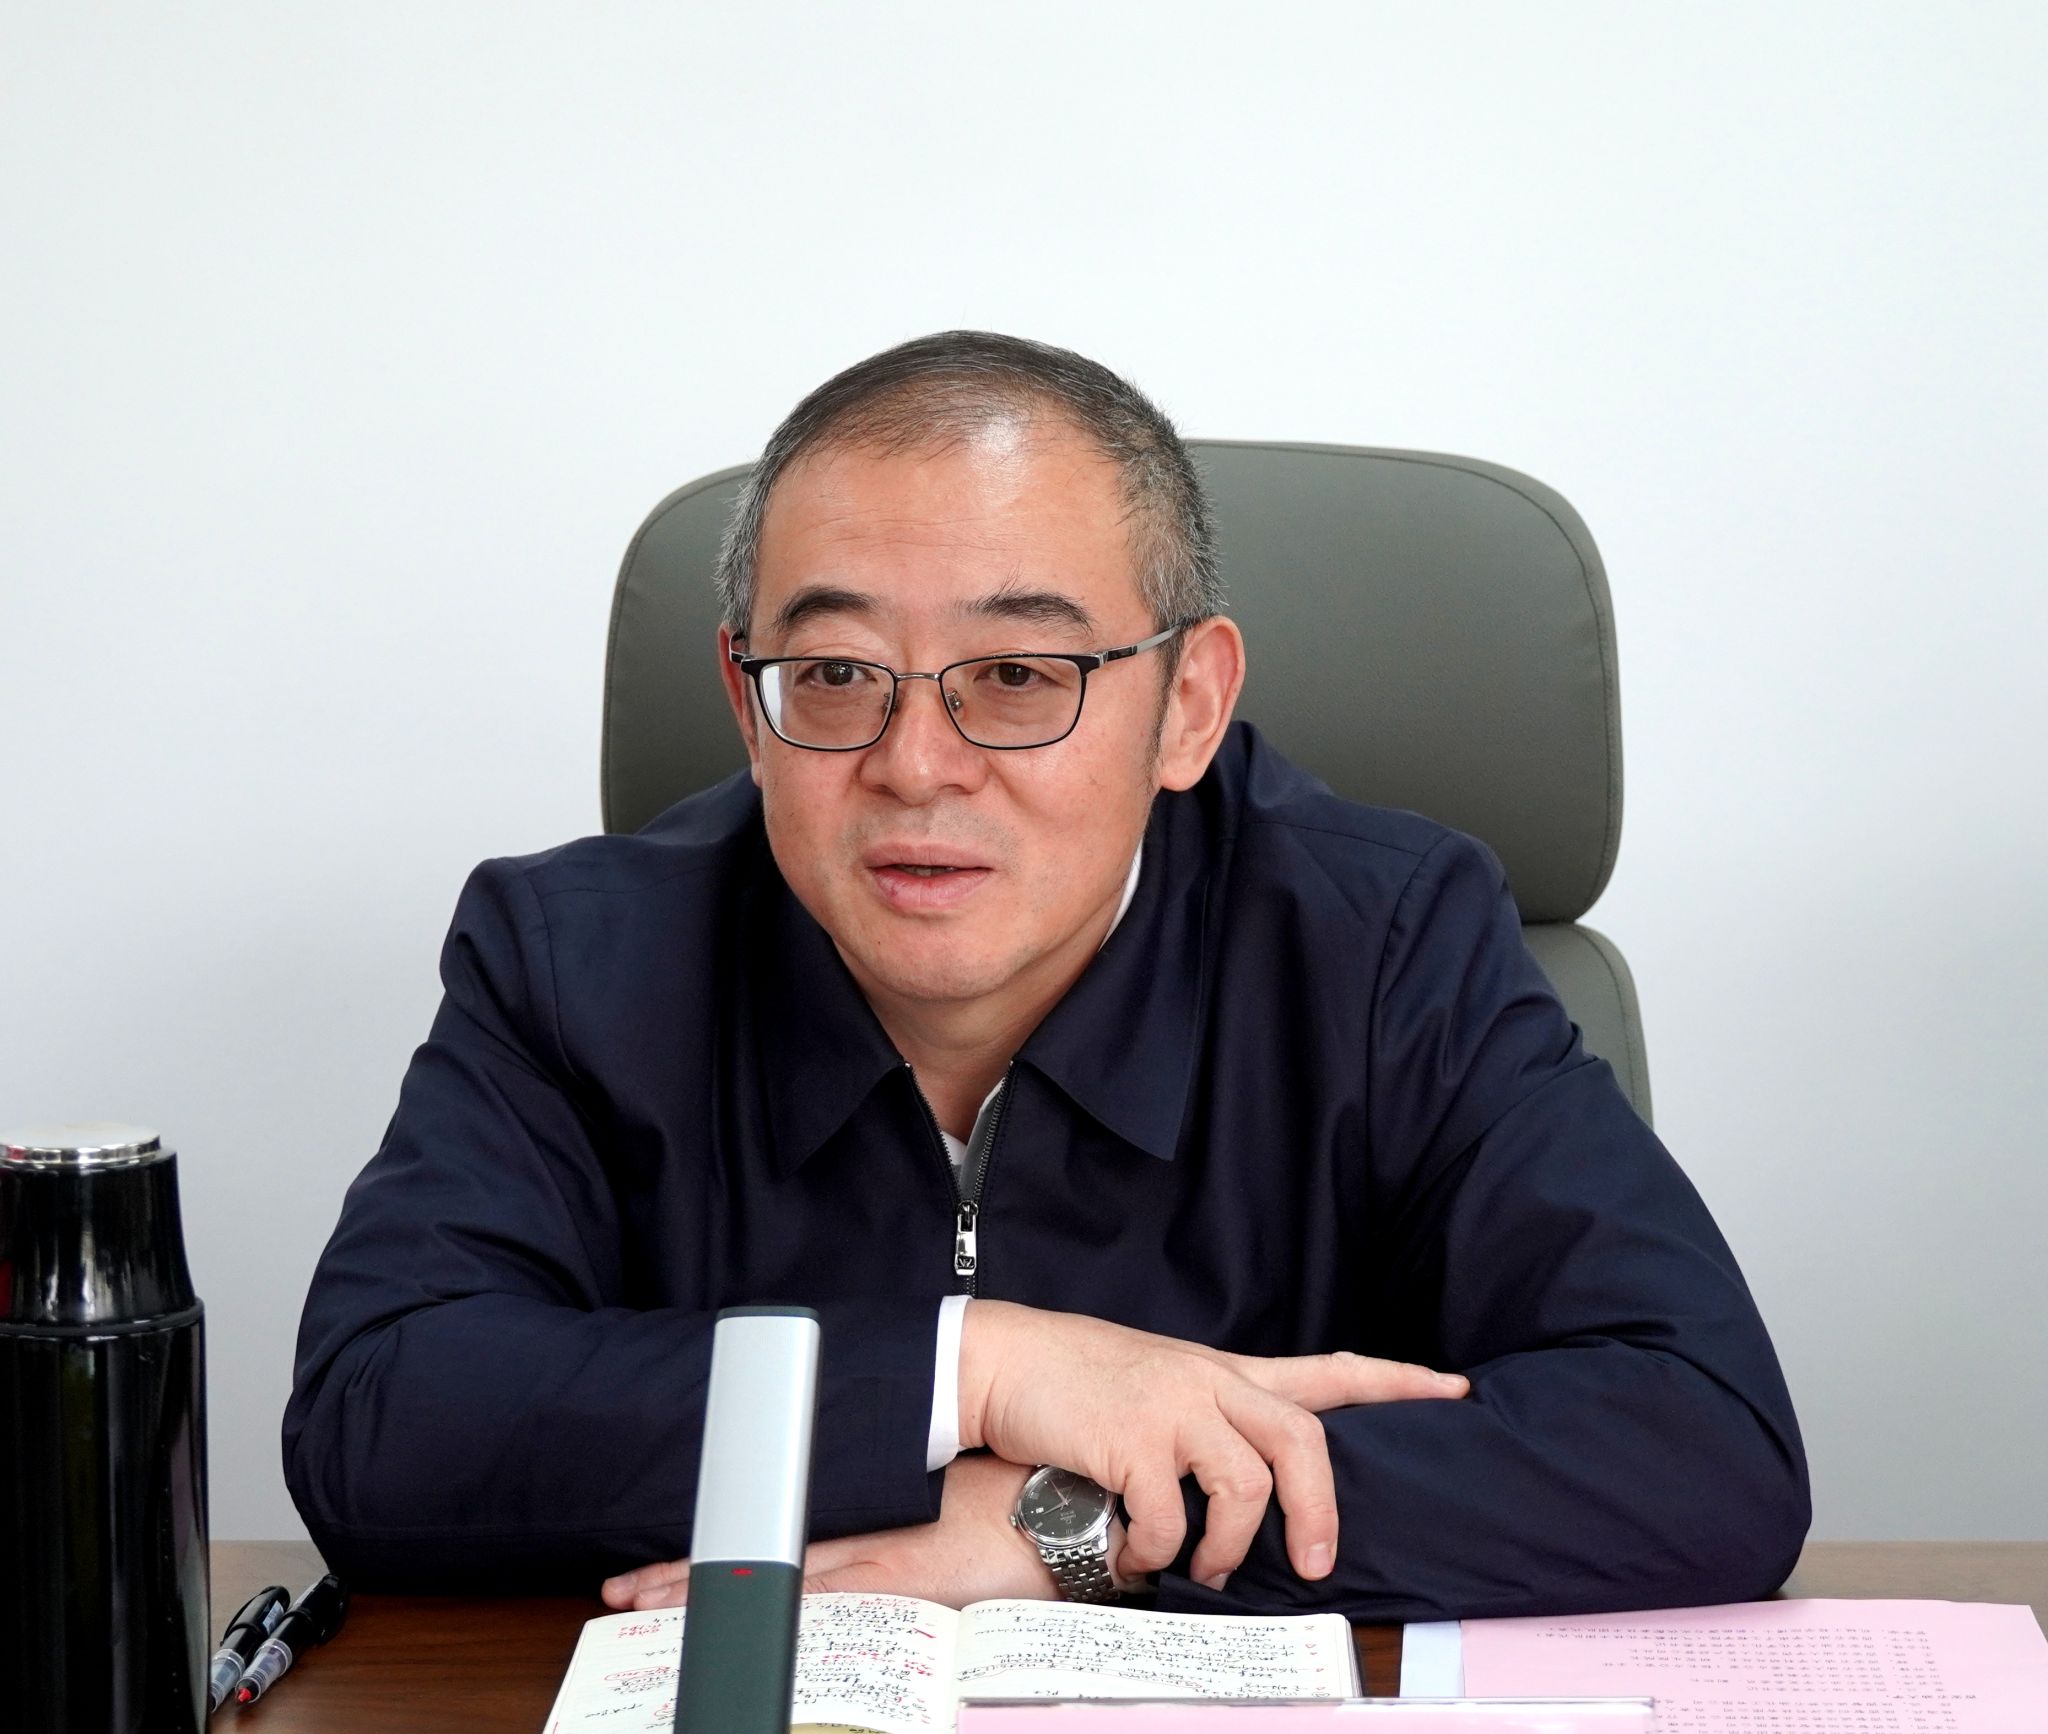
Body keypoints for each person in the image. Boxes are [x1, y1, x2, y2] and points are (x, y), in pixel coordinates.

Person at [284, 331, 1808, 1618]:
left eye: (1019, 675)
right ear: (746, 704)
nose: (917, 764)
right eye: (836, 675)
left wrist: (1055, 1532)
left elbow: (1702, 1445)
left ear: (1190, 705)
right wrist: (977, 1369)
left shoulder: (1383, 943)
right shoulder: (573, 956)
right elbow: (383, 1416)